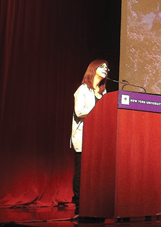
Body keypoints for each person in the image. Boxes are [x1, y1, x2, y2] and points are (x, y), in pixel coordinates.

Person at [70, 60, 109, 217]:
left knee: (97, 173)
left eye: (107, 68)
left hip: (99, 139)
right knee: (81, 172)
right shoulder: (83, 89)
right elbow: (79, 112)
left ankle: (95, 205)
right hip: (84, 137)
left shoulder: (103, 93)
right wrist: (99, 109)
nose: (106, 69)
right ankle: (79, 206)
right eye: (102, 67)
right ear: (93, 69)